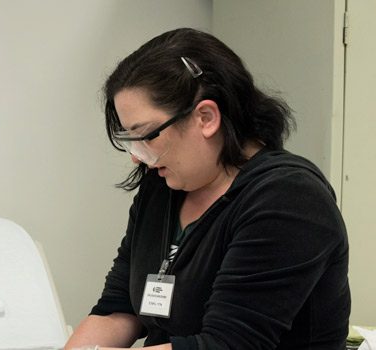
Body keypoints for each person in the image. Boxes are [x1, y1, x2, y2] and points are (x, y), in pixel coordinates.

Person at [64, 28, 350, 350]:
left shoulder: (290, 200)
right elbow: (117, 309)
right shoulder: (163, 186)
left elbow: (227, 345)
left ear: (206, 117)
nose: (137, 157)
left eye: (147, 136)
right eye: (130, 140)